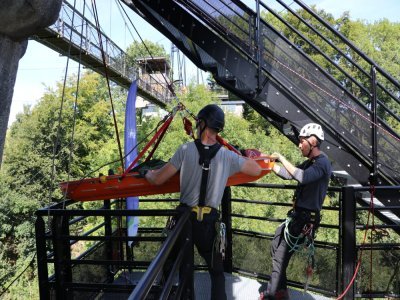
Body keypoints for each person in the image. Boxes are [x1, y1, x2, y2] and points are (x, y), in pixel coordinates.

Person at [144, 104, 262, 299]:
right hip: (208, 223)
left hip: (185, 221)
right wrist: (238, 155)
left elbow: (158, 180)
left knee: (181, 267)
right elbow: (256, 170)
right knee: (216, 272)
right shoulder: (227, 156)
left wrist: (147, 173)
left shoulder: (185, 150)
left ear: (202, 124)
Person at [262, 123, 332, 300]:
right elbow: (289, 174)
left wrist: (281, 157)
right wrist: (269, 164)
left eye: (302, 142)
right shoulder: (311, 162)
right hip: (297, 216)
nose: (299, 145)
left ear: (313, 142)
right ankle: (281, 291)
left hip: (305, 218)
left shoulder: (322, 163)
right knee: (275, 246)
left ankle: (272, 294)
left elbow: (301, 176)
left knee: (280, 257)